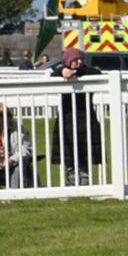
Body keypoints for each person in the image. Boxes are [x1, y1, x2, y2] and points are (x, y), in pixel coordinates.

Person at [50, 46, 102, 186]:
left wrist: (76, 72)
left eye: (80, 59)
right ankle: (71, 183)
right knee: (69, 156)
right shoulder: (60, 73)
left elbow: (97, 73)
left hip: (86, 121)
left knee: (85, 156)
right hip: (67, 121)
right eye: (75, 60)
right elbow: (53, 75)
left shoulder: (89, 73)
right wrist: (63, 71)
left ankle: (84, 183)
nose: (78, 62)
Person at [0, 102, 37, 190]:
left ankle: (13, 194)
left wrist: (12, 160)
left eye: (7, 114)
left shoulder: (18, 128)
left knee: (19, 165)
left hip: (12, 162)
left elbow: (26, 148)